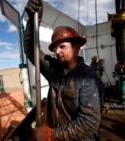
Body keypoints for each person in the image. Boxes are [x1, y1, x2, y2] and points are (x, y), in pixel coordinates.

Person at [24, 0, 105, 140]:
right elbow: (31, 51)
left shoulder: (89, 78)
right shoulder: (54, 70)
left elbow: (89, 123)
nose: (58, 51)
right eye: (55, 48)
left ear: (76, 47)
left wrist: (51, 135)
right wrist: (32, 21)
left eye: (63, 46)